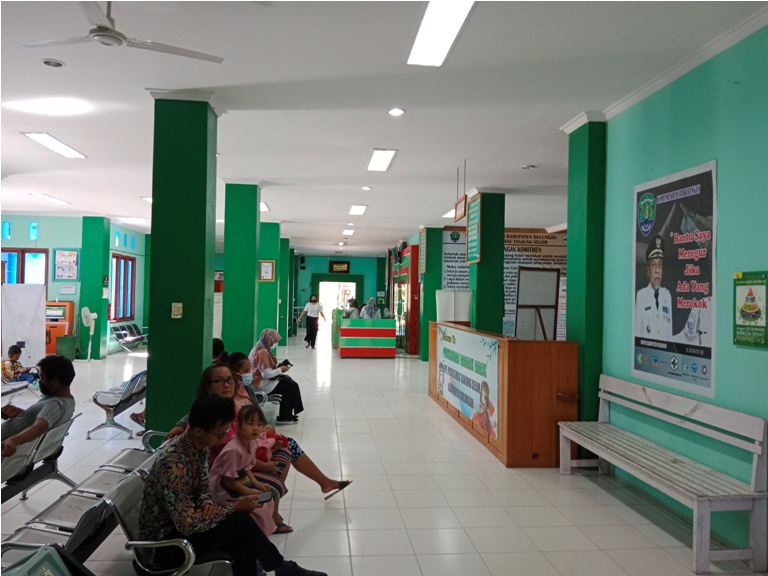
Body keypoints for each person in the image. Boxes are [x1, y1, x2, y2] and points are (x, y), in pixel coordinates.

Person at [139, 394, 326, 576]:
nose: (223, 439)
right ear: (199, 431)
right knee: (240, 524)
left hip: (184, 524)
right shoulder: (174, 466)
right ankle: (284, 569)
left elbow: (203, 488)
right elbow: (186, 524)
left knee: (241, 529)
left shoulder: (199, 446)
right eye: (220, 434)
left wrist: (207, 504)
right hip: (166, 545)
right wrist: (231, 508)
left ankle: (283, 569)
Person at [208, 404, 291, 535]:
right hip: (222, 492)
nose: (255, 428)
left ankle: (264, 533)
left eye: (259, 424)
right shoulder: (233, 450)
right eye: (250, 424)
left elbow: (247, 467)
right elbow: (228, 482)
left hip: (239, 482)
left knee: (267, 499)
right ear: (239, 426)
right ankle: (257, 536)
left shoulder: (252, 442)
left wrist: (257, 484)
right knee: (258, 507)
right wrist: (250, 492)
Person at [131, 337, 226, 430]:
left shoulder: (213, 368)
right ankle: (146, 417)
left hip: (191, 394)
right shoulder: (219, 365)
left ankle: (146, 418)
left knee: (160, 392)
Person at [1, 355, 76, 457]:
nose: (40, 381)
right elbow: (46, 418)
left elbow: (39, 427)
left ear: (54, 381)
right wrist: (20, 413)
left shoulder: (55, 403)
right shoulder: (68, 401)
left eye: (42, 378)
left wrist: (14, 441)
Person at [249, 329, 304, 424]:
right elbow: (265, 374)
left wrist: (278, 367)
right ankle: (285, 417)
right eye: (275, 341)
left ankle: (286, 415)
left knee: (288, 382)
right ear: (269, 340)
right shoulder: (262, 352)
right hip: (260, 383)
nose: (275, 344)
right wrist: (280, 370)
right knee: (291, 386)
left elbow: (265, 369)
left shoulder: (259, 346)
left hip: (257, 381)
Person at [635, 234, 673, 339]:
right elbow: (637, 333)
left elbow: (669, 335)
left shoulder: (667, 296)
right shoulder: (641, 296)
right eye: (654, 265)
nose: (657, 270)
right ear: (648, 271)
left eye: (660, 265)